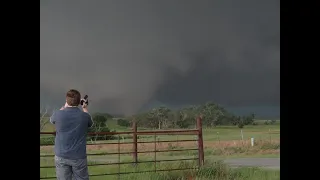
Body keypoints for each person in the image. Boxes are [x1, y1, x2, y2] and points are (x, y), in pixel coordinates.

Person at [50, 89, 94, 180]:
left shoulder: (58, 114)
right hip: (78, 157)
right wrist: (84, 108)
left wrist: (64, 107)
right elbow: (91, 124)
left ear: (66, 100)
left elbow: (51, 120)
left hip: (61, 155)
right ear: (79, 102)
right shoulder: (84, 116)